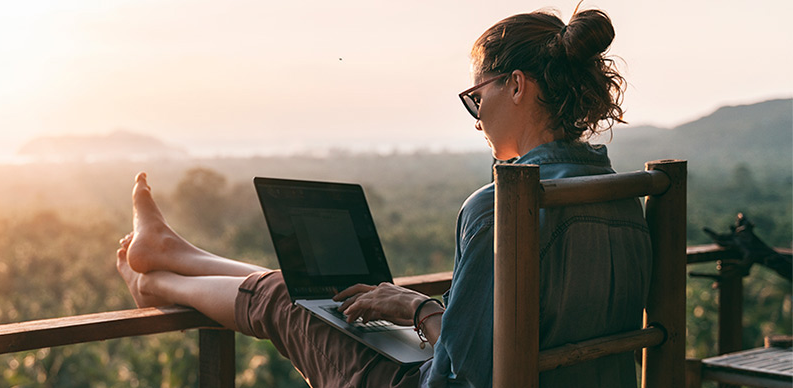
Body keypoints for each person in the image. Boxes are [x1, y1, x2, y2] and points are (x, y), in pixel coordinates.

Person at [115, 7, 651, 388]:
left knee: (289, 301)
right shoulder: (627, 199)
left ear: (516, 85)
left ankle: (152, 278)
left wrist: (419, 310)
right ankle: (170, 256)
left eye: (476, 96)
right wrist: (415, 309)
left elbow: (463, 375)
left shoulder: (503, 208)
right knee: (312, 292)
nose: (477, 116)